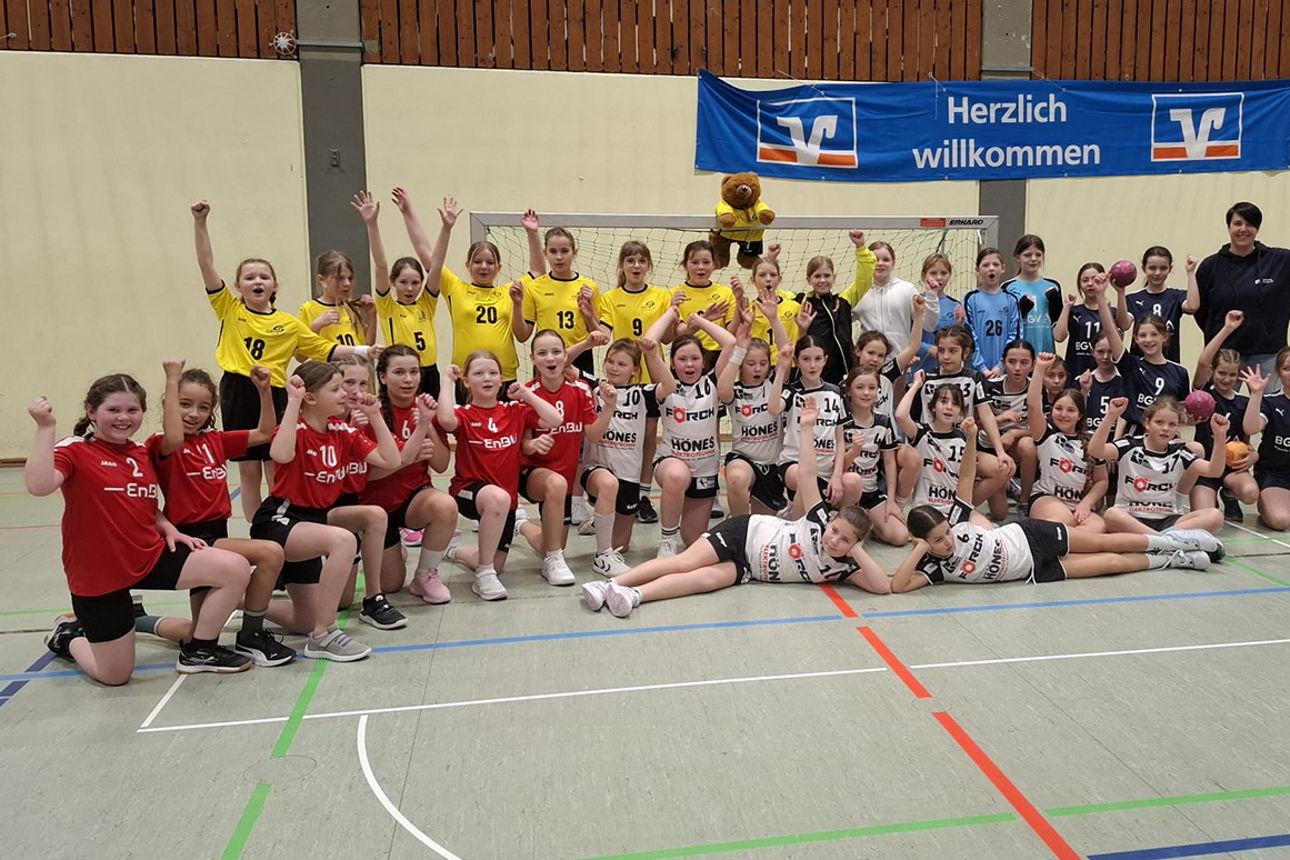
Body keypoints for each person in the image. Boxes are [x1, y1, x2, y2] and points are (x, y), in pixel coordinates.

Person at [29, 375, 254, 683]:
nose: (124, 418)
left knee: (235, 568)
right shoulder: (75, 449)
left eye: (132, 410)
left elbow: (144, 502)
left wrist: (167, 527)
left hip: (148, 556)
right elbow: (39, 485)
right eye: (113, 410)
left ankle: (200, 651)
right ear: (92, 411)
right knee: (115, 675)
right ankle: (67, 636)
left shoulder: (138, 452)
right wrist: (45, 429)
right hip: (100, 574)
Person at [581, 397, 890, 618]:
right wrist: (807, 428)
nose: (833, 540)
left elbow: (882, 587)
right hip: (745, 533)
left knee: (706, 581)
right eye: (835, 531)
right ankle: (608, 583)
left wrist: (856, 549)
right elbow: (808, 475)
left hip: (750, 567)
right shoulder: (819, 519)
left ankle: (634, 595)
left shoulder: (842, 567)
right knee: (685, 563)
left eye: (844, 540)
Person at [191, 200, 374, 521]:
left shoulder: (289, 324)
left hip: (274, 393)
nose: (257, 281)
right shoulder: (229, 309)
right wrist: (200, 222)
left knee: (276, 466)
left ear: (275, 286)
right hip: (238, 390)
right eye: (249, 277)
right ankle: (256, 527)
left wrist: (365, 351)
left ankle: (280, 522)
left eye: (264, 276)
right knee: (248, 471)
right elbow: (206, 264)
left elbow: (324, 349)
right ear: (237, 286)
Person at [892, 417, 1223, 592]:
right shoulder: (934, 569)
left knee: (1103, 543)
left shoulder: (958, 517)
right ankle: (1177, 560)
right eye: (938, 541)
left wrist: (970, 439)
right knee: (1111, 563)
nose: (947, 540)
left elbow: (965, 476)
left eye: (945, 532)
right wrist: (921, 548)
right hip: (1034, 571)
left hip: (1030, 535)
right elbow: (898, 585)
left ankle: (1173, 541)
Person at [145, 360, 294, 667]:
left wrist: (264, 391)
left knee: (196, 632)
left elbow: (266, 432)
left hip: (217, 531)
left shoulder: (214, 441)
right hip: (193, 538)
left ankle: (136, 621)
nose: (193, 414)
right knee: (270, 553)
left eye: (202, 407)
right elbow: (173, 437)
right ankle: (251, 634)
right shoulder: (162, 444)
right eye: (184, 405)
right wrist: (172, 380)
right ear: (169, 404)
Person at [250, 361, 402, 661]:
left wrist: (375, 415)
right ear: (310, 398)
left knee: (304, 619)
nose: (345, 394)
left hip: (315, 520)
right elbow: (279, 454)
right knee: (343, 540)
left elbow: (391, 459)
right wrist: (292, 402)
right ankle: (323, 634)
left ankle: (241, 600)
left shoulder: (341, 431)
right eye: (335, 389)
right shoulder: (295, 429)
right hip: (281, 520)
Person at [435, 353, 562, 600]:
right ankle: (483, 575)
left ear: (501, 380)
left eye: (493, 373)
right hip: (469, 491)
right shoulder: (465, 413)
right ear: (467, 382)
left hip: (504, 502)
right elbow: (446, 420)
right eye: (479, 373)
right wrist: (446, 380)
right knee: (497, 501)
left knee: (497, 561)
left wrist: (526, 394)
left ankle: (454, 550)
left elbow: (555, 419)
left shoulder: (514, 410)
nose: (487, 378)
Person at [399, 190, 541, 398]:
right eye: (477, 262)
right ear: (468, 265)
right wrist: (408, 212)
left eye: (490, 262)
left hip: (503, 376)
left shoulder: (509, 292)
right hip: (466, 377)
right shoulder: (456, 288)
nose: (484, 267)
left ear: (498, 267)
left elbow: (537, 272)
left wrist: (532, 233)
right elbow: (426, 254)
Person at [513, 330, 625, 580]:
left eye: (556, 352)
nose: (550, 358)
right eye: (542, 353)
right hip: (534, 475)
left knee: (548, 543)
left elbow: (594, 435)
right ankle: (553, 562)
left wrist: (609, 408)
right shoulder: (528, 393)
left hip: (566, 477)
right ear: (532, 359)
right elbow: (522, 444)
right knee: (556, 484)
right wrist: (532, 446)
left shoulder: (581, 389)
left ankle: (520, 525)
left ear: (565, 356)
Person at [359, 345, 459, 606]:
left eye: (414, 372)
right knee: (390, 586)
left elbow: (440, 464)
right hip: (374, 509)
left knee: (445, 505)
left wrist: (427, 426)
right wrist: (408, 458)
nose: (408, 379)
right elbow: (363, 478)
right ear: (382, 377)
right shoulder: (368, 413)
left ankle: (425, 575)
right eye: (399, 372)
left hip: (413, 500)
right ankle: (390, 551)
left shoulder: (425, 407)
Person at [573, 310, 678, 552]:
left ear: (634, 370)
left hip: (628, 474)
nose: (614, 368)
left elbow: (670, 385)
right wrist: (587, 343)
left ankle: (599, 520)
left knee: (621, 546)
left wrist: (652, 354)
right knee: (607, 484)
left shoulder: (641, 394)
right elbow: (564, 365)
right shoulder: (595, 385)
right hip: (597, 471)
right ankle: (601, 552)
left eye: (621, 364)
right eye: (610, 362)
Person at [596, 241, 678, 524]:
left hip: (652, 377)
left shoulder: (662, 295)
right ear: (622, 266)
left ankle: (643, 495)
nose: (636, 266)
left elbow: (667, 338)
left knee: (646, 440)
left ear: (649, 266)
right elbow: (603, 334)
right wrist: (586, 314)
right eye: (630, 261)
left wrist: (681, 317)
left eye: (641, 261)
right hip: (623, 380)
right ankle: (608, 494)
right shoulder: (609, 298)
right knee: (616, 439)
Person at [654, 314, 738, 556]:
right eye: (682, 359)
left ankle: (679, 535)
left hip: (705, 468)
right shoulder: (666, 384)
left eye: (695, 359)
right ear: (672, 363)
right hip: (672, 462)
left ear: (704, 362)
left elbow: (730, 343)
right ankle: (666, 541)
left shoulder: (712, 382)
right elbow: (650, 342)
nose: (689, 365)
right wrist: (670, 315)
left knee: (693, 541)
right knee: (677, 476)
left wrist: (699, 321)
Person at [1089, 396, 1227, 535]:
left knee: (1215, 516)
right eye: (1159, 422)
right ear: (1147, 423)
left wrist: (1220, 436)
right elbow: (1095, 450)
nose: (1165, 428)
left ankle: (1159, 540)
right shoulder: (1130, 445)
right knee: (1112, 514)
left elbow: (1213, 471)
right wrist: (1111, 415)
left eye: (1172, 424)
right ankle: (1165, 540)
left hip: (1167, 519)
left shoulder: (1180, 452)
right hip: (1132, 518)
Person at [352, 190, 441, 397]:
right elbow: (381, 265)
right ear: (393, 282)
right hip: (400, 372)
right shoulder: (388, 306)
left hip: (428, 372)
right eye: (403, 282)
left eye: (415, 283)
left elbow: (435, 266)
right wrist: (372, 224)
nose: (409, 288)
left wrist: (409, 213)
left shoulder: (427, 303)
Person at [1195, 202, 1290, 386]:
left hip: (1269, 353)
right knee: (1220, 410)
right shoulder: (1210, 267)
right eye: (1238, 224)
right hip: (1225, 356)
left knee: (1270, 410)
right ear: (1228, 227)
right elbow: (1201, 311)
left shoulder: (1282, 261)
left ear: (1257, 228)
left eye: (1250, 224)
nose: (1243, 229)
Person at [719, 288, 792, 518]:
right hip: (744, 460)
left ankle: (751, 523)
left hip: (773, 465)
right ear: (742, 365)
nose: (758, 368)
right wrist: (739, 350)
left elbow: (786, 351)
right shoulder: (736, 389)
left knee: (765, 524)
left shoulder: (775, 384)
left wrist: (774, 318)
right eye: (751, 363)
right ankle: (739, 526)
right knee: (737, 479)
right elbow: (722, 390)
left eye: (762, 363)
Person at [1021, 353, 1108, 532]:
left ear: (1080, 415)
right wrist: (1039, 369)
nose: (1063, 414)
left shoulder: (1091, 441)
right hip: (1047, 498)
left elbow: (1101, 481)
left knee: (1098, 528)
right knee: (1063, 523)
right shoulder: (1046, 434)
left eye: (1070, 410)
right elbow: (1033, 405)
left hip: (1078, 504)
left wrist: (1086, 503)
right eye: (1058, 409)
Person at [1094, 272, 1189, 432]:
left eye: (1154, 334)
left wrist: (1198, 418)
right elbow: (1110, 330)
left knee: (1198, 450)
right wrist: (1100, 295)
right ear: (1136, 339)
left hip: (1165, 437)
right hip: (1135, 437)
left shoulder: (1179, 372)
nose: (1148, 340)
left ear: (1164, 337)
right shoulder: (1130, 364)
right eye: (1142, 335)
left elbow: (1182, 414)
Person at [1189, 311, 1258, 522]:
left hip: (1231, 468)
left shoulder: (1244, 403)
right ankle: (1213, 496)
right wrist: (1227, 329)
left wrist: (1253, 456)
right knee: (1207, 516)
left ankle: (1229, 494)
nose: (1227, 379)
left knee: (1250, 493)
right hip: (1206, 467)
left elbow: (1246, 441)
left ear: (1239, 375)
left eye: (1232, 374)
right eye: (1221, 373)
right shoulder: (1204, 396)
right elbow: (1202, 363)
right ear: (1213, 372)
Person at [770, 334, 847, 518]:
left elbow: (840, 440)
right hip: (794, 464)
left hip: (825, 468)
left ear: (825, 360)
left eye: (817, 359)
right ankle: (796, 531)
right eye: (806, 359)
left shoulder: (836, 392)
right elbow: (773, 408)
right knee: (805, 479)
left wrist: (836, 476)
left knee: (853, 482)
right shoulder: (792, 391)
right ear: (797, 361)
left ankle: (836, 524)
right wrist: (782, 368)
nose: (812, 365)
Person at [515, 226, 603, 373]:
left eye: (564, 251)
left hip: (580, 357)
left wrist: (589, 314)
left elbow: (599, 337)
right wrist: (517, 305)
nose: (559, 257)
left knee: (582, 396)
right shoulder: (535, 286)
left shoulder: (589, 287)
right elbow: (522, 336)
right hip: (546, 359)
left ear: (574, 253)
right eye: (553, 251)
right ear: (545, 253)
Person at [840, 367, 907, 545]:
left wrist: (891, 501)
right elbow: (837, 468)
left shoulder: (883, 422)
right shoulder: (841, 422)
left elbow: (890, 463)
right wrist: (854, 451)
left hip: (871, 491)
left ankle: (871, 522)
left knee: (900, 537)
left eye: (872, 387)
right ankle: (841, 516)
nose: (866, 393)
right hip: (846, 488)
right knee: (852, 481)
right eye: (860, 387)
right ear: (848, 391)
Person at [842, 236, 925, 359]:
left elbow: (927, 324)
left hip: (900, 363)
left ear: (893, 263)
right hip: (869, 366)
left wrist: (932, 296)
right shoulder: (858, 292)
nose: (880, 263)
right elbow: (841, 323)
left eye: (885, 259)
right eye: (875, 259)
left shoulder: (907, 289)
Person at [852, 293, 927, 421]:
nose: (875, 359)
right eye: (870, 353)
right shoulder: (849, 381)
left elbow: (913, 347)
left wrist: (919, 314)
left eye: (881, 355)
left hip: (887, 438)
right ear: (858, 351)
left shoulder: (887, 373)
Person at [794, 244, 857, 386]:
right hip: (812, 366)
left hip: (840, 369)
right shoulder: (801, 301)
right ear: (808, 280)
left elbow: (863, 280)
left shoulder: (842, 301)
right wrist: (771, 258)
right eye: (817, 276)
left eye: (826, 275)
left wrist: (860, 248)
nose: (822, 280)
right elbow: (774, 291)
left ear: (834, 278)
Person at [1122, 246, 1198, 364]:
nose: (1157, 273)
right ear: (1143, 268)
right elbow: (1124, 324)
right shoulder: (1133, 299)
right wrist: (1120, 292)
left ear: (1169, 269)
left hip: (1169, 364)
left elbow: (1192, 306)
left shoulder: (1176, 296)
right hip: (1139, 365)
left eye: (1163, 268)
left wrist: (1191, 272)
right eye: (1152, 268)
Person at [1240, 354, 1290, 530]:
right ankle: (1268, 503)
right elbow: (1250, 428)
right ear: (1278, 372)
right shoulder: (1271, 402)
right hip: (1276, 475)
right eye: (1287, 368)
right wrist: (1256, 394)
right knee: (1281, 521)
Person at [671, 240, 737, 360]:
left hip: (719, 355)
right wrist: (704, 320)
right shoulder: (675, 294)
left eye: (706, 262)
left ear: (714, 265)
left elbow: (731, 333)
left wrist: (740, 301)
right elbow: (679, 335)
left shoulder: (726, 293)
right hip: (685, 355)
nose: (701, 267)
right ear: (685, 265)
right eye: (695, 262)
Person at [298, 250, 376, 349]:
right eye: (339, 278)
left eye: (350, 278)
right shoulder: (309, 309)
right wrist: (316, 326)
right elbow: (300, 356)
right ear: (322, 280)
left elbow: (367, 346)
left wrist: (372, 315)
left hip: (357, 364)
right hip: (328, 364)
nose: (347, 283)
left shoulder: (351, 308)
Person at [963, 247, 1022, 375]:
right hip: (976, 370)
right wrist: (981, 367)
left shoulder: (1011, 300)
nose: (991, 268)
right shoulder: (970, 299)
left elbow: (1015, 335)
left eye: (995, 264)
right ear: (977, 270)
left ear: (1003, 268)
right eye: (985, 265)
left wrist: (1001, 365)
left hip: (1004, 369)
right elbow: (969, 335)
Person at [1002, 234, 1062, 354]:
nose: (1033, 259)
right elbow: (1004, 327)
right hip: (1019, 356)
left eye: (1038, 255)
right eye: (1027, 255)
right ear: (1017, 257)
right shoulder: (1007, 287)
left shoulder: (1052, 286)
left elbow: (1059, 329)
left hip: (1046, 353)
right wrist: (1020, 311)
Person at [1054, 262, 1107, 379]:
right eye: (1085, 280)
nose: (1090, 284)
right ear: (1079, 284)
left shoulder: (1110, 312)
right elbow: (1058, 337)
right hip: (1075, 370)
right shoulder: (1074, 311)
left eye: (1095, 279)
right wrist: (1067, 306)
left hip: (1103, 374)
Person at [914, 253, 964, 376]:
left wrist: (961, 325)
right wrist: (929, 349)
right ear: (923, 276)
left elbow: (959, 340)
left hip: (948, 372)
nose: (939, 278)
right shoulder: (917, 302)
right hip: (921, 370)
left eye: (943, 273)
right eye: (933, 273)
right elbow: (907, 338)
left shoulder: (955, 305)